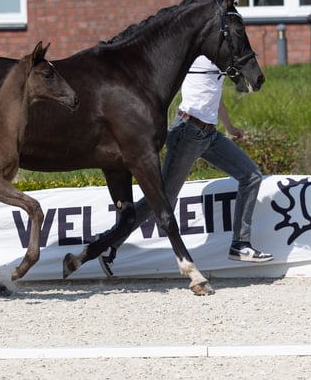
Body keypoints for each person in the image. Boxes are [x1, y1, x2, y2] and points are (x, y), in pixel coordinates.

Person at [104, 54, 273, 266]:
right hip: (188, 131)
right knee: (164, 198)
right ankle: (111, 240)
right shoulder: (196, 56)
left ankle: (240, 244)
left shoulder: (219, 59)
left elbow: (215, 93)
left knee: (251, 176)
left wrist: (229, 127)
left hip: (210, 134)